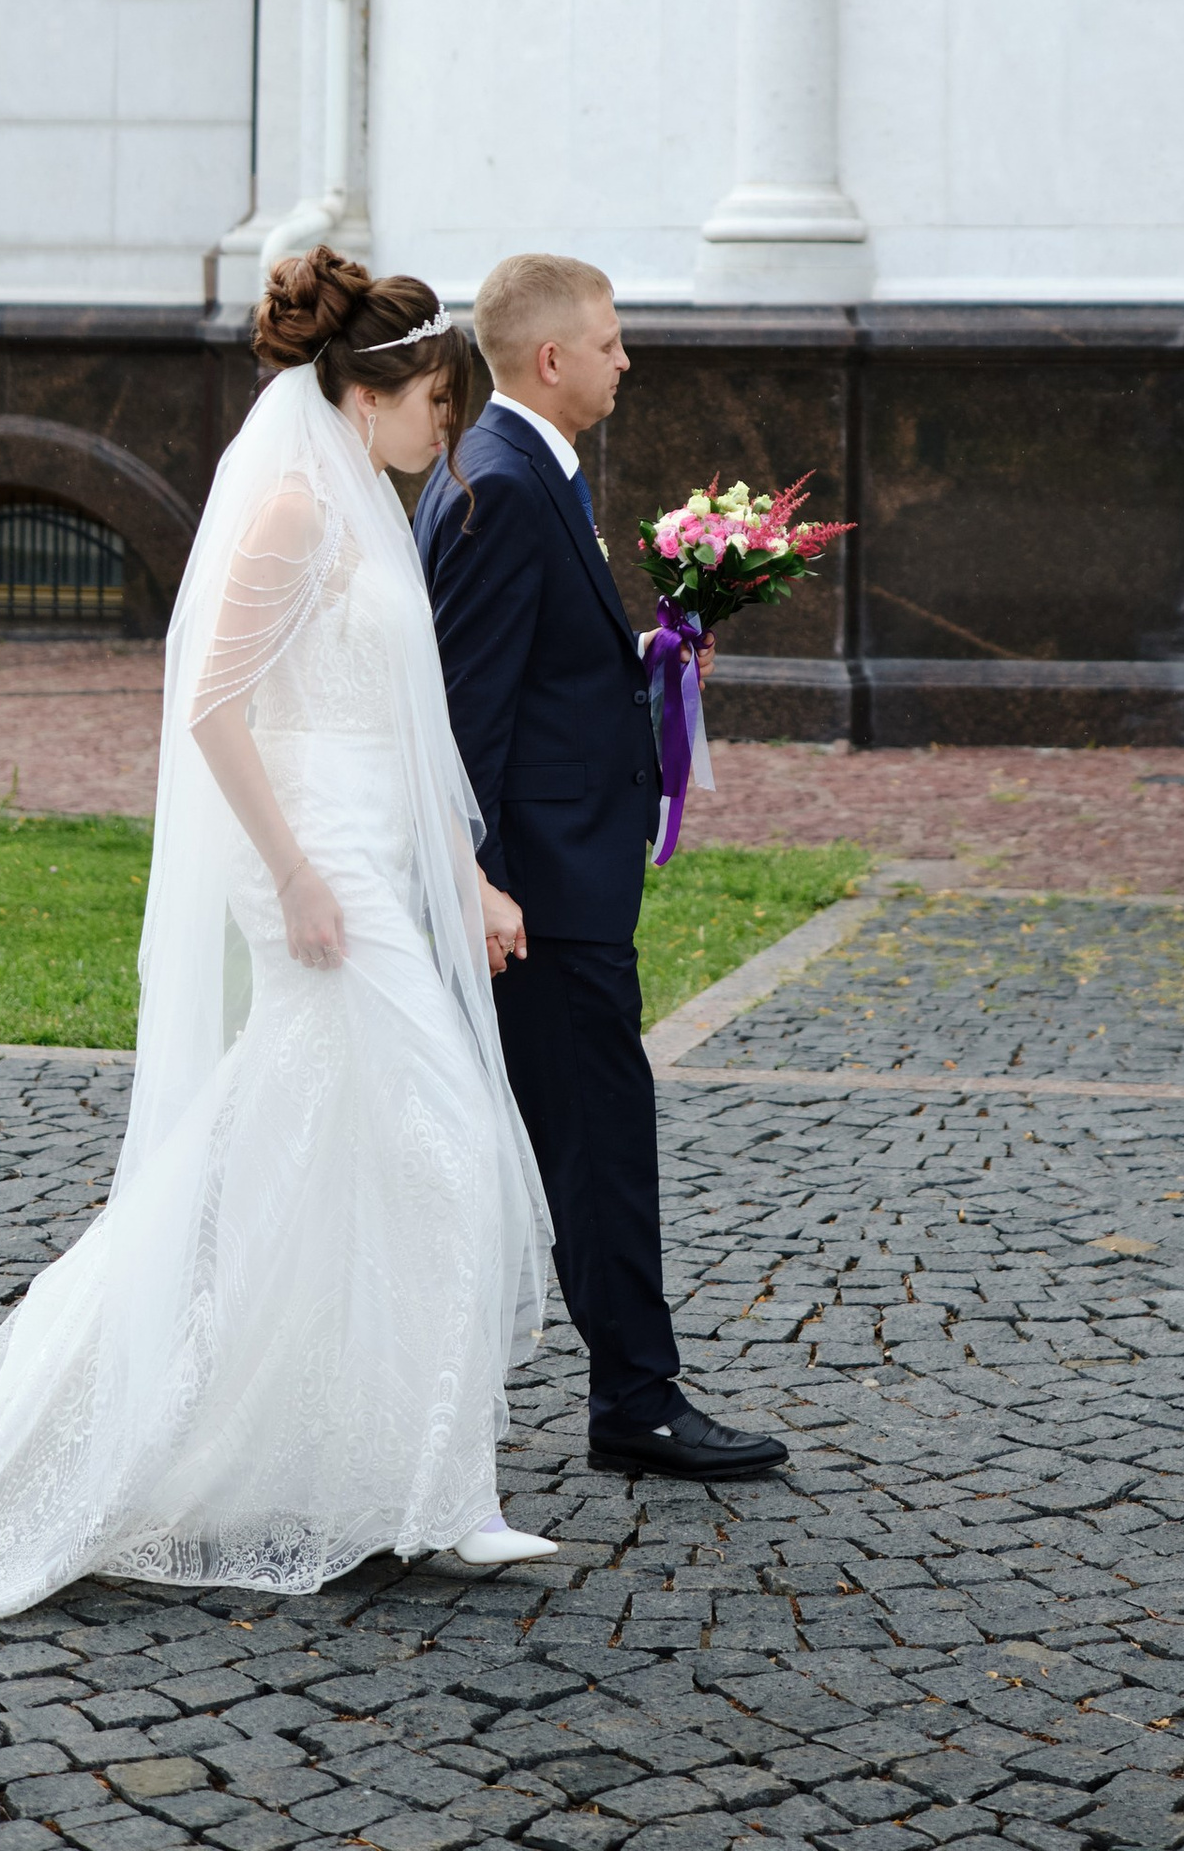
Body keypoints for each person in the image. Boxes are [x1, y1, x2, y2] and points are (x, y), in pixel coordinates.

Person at [0, 258, 557, 1629]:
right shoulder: (296, 510)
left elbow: (404, 729)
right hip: (315, 871)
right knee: (438, 1142)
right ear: (372, 394)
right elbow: (212, 709)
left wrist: (468, 877)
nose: (449, 434)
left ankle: (382, 1474)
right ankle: (423, 1489)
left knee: (324, 1155)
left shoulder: (369, 509)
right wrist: (294, 876)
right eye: (441, 404)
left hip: (373, 853)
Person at [417, 251, 788, 1483]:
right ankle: (637, 1402)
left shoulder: (529, 470)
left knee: (598, 1141)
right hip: (541, 894)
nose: (627, 360)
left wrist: (645, 661)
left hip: (561, 877)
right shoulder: (504, 485)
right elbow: (462, 712)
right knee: (600, 1149)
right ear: (551, 358)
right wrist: (479, 880)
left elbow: (536, 669)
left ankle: (633, 1393)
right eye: (612, 341)